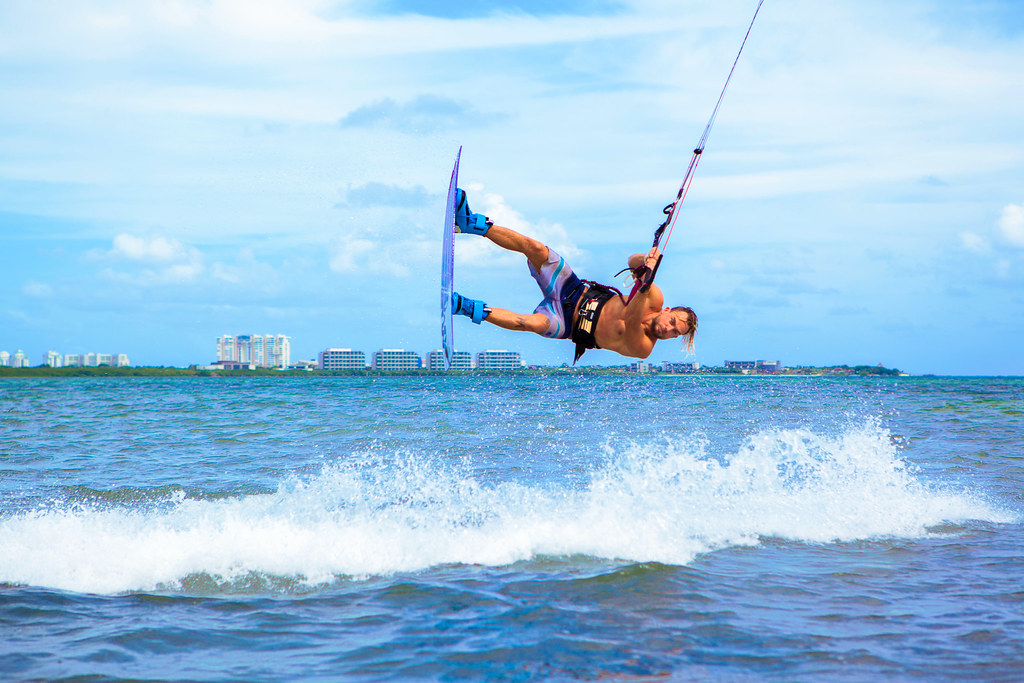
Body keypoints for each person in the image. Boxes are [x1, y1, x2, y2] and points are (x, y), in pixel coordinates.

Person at [450, 188, 697, 362]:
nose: (669, 330)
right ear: (668, 311)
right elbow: (632, 262)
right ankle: (468, 223)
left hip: (568, 323)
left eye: (675, 333)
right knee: (536, 249)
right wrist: (645, 263)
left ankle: (464, 306)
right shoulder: (655, 297)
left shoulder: (643, 348)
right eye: (673, 322)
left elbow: (632, 320)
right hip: (574, 289)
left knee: (530, 323)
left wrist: (645, 283)